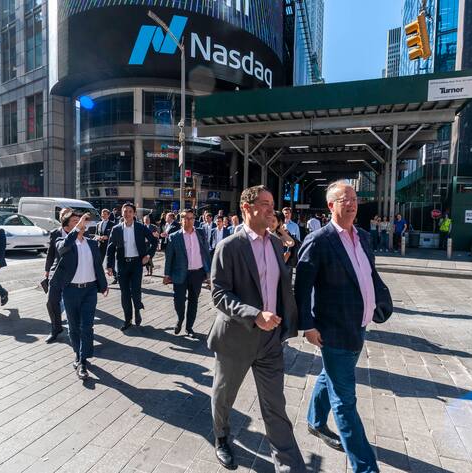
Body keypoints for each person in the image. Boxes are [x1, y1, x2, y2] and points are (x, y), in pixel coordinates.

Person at [295, 181, 391, 473]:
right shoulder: (319, 240)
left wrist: (380, 300)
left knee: (331, 374)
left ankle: (314, 420)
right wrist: (307, 326)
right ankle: (366, 467)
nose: (351, 203)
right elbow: (302, 288)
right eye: (343, 199)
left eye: (354, 198)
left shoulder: (362, 236)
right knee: (345, 401)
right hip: (333, 329)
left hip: (358, 325)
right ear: (330, 206)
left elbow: (369, 273)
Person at [209, 185, 305, 472]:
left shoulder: (276, 244)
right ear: (246, 208)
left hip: (270, 340)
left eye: (272, 204)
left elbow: (282, 288)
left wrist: (294, 321)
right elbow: (218, 294)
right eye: (264, 203)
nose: (270, 209)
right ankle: (222, 438)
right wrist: (254, 314)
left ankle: (289, 464)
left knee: (275, 405)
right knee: (224, 396)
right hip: (236, 339)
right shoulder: (229, 246)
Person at [49, 212, 109, 379]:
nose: (81, 223)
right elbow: (62, 249)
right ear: (68, 227)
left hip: (89, 290)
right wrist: (76, 229)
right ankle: (77, 353)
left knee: (86, 327)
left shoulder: (91, 243)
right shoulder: (63, 242)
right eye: (76, 222)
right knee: (74, 327)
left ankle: (82, 361)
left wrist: (103, 285)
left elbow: (97, 266)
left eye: (82, 221)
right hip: (71, 291)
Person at [106, 203, 158, 330]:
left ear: (134, 214)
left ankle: (138, 310)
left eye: (130, 211)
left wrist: (149, 256)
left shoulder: (140, 227)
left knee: (135, 292)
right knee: (125, 294)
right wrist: (109, 265)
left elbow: (154, 241)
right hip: (122, 264)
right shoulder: (116, 229)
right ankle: (127, 320)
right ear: (122, 213)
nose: (127, 213)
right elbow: (111, 248)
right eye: (125, 211)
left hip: (137, 264)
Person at [163, 209, 211, 337]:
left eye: (191, 218)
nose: (189, 221)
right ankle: (180, 318)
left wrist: (209, 273)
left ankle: (189, 328)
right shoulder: (174, 237)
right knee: (178, 300)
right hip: (179, 274)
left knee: (193, 301)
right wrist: (167, 275)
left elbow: (206, 252)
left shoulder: (200, 233)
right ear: (181, 221)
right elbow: (169, 257)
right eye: (186, 218)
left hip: (197, 274)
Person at [43, 208, 74, 343]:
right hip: (56, 273)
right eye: (62, 214)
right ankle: (56, 328)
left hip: (73, 274)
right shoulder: (55, 233)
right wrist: (47, 271)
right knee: (51, 302)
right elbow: (51, 253)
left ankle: (75, 331)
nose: (63, 216)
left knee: (71, 305)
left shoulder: (79, 233)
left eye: (66, 214)